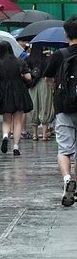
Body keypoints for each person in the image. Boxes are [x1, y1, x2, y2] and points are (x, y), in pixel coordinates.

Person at [43, 16, 77, 207]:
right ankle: (76, 187)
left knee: (64, 149)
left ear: (66, 34)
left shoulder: (59, 55)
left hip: (63, 107)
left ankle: (66, 179)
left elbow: (48, 78)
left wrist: (56, 87)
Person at [0, 41, 33, 156]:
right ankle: (16, 147)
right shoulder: (19, 61)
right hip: (19, 91)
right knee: (17, 122)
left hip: (5, 92)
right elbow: (29, 77)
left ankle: (5, 136)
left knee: (6, 120)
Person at [26, 44, 54, 141]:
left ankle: (34, 135)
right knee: (45, 105)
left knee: (34, 107)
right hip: (44, 82)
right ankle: (44, 134)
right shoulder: (47, 58)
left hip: (33, 84)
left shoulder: (29, 59)